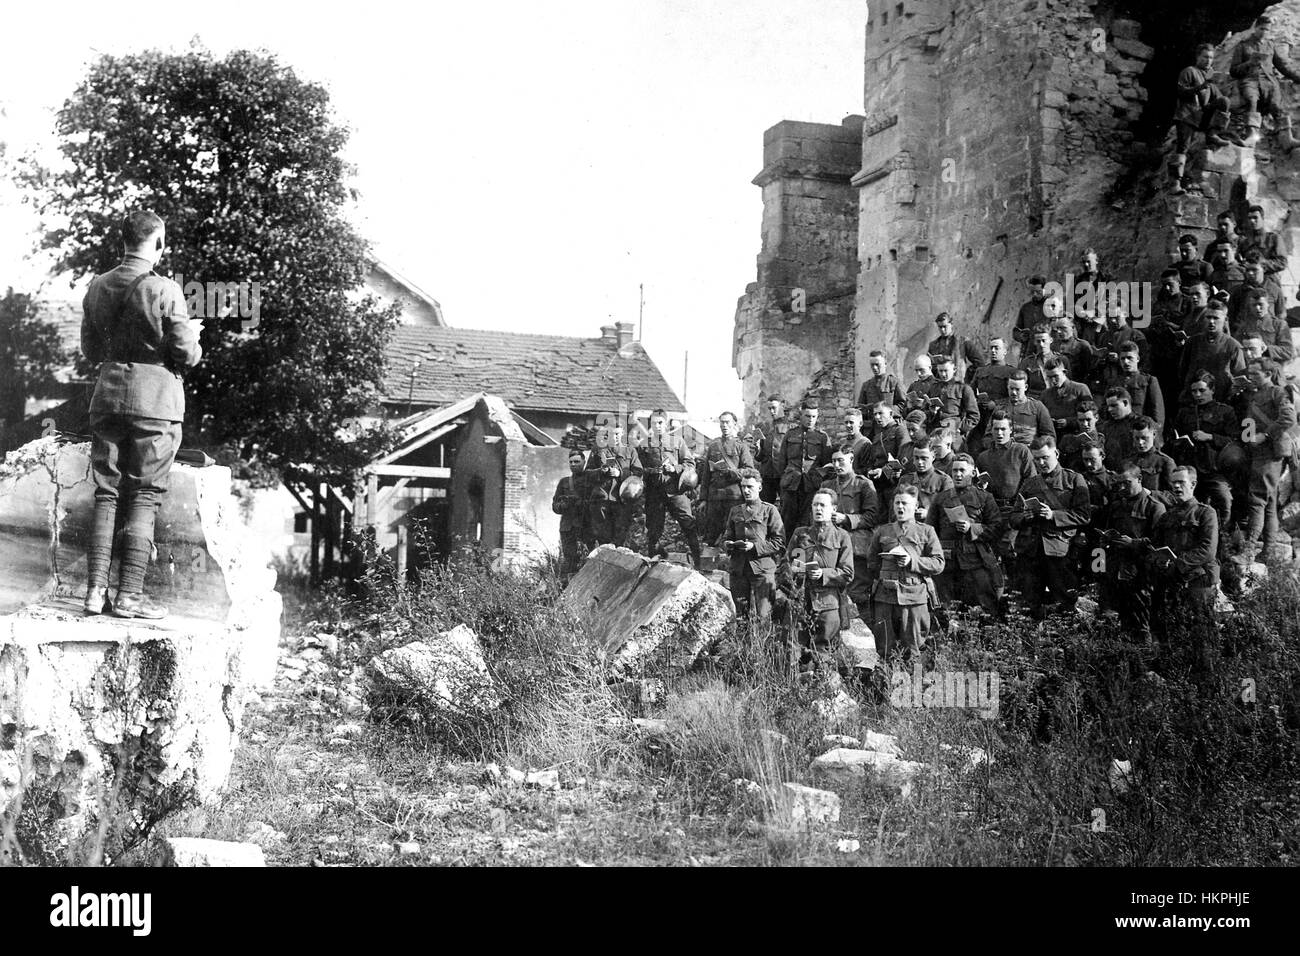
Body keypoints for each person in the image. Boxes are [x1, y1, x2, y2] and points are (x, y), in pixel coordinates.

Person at [81, 210, 202, 619]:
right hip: (156, 403)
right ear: (160, 244)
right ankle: (129, 596)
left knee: (107, 491)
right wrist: (194, 340)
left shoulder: (97, 286)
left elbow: (91, 351)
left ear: (123, 241)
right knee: (144, 494)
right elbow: (185, 353)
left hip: (108, 396)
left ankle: (94, 593)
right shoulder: (166, 289)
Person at [1011, 436, 1091, 620]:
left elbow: (1084, 515)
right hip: (1031, 551)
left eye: (1045, 457)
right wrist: (1025, 517)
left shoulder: (1074, 479)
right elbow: (1013, 518)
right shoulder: (1030, 483)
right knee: (1030, 603)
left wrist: (1053, 515)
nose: (1041, 463)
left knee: (1064, 601)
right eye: (1036, 459)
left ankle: (1065, 644)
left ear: (1056, 453)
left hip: (1060, 551)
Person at [863, 485, 945, 663]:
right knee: (885, 649)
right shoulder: (882, 531)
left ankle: (913, 688)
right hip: (885, 597)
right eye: (897, 503)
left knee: (913, 649)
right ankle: (886, 686)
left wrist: (912, 562)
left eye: (905, 504)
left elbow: (938, 563)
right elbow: (872, 562)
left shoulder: (926, 531)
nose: (900, 507)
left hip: (914, 597)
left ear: (915, 507)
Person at [1150, 467, 1220, 665]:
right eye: (1173, 483)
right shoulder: (1167, 516)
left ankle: (1207, 676)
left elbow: (1207, 551)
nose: (1177, 486)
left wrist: (1177, 562)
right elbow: (1156, 545)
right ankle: (1178, 676)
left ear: (1193, 484)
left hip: (1199, 581)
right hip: (1173, 581)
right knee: (1174, 629)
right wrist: (1159, 559)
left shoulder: (1205, 513)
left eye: (1181, 482)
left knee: (1202, 632)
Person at [783, 489, 854, 670]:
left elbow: (847, 572)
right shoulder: (801, 534)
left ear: (833, 509)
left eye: (823, 505)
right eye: (815, 504)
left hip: (828, 602)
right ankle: (793, 689)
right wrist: (797, 571)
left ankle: (824, 692)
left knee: (823, 651)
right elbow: (787, 562)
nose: (818, 509)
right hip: (801, 598)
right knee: (794, 647)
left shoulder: (841, 536)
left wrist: (824, 574)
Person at [1097, 462, 1166, 640]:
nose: (1121, 487)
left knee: (1142, 619)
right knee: (1120, 618)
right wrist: (1106, 539)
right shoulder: (1116, 506)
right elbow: (1107, 530)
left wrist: (1134, 543)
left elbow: (1160, 542)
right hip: (1118, 568)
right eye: (1118, 483)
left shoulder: (1154, 507)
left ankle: (1145, 656)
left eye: (1126, 483)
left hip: (1142, 572)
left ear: (1139, 479)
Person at [928, 454, 1003, 617]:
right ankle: (949, 641)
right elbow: (929, 531)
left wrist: (972, 528)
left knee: (984, 608)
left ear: (973, 473)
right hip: (947, 562)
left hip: (975, 560)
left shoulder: (984, 497)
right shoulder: (941, 499)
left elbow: (997, 527)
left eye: (962, 470)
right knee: (946, 609)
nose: (958, 474)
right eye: (955, 470)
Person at [1237, 357, 1297, 557]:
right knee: (1269, 502)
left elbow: (1289, 417)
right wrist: (1248, 439)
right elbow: (1249, 422)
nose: (1250, 377)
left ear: (1268, 374)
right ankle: (1268, 551)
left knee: (1257, 499)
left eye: (1255, 374)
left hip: (1270, 453)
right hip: (1257, 452)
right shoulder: (1255, 394)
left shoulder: (1277, 392)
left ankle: (1249, 550)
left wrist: (1265, 435)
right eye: (1250, 373)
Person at [1170, 371, 1238, 535]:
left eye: (1202, 390)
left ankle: (1223, 538)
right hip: (1191, 468)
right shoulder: (1184, 413)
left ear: (1212, 390)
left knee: (1225, 500)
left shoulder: (1225, 411)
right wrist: (1178, 442)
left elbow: (1235, 440)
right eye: (1194, 391)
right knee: (1190, 508)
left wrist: (1210, 437)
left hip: (1214, 468)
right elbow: (1174, 436)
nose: (1198, 395)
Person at [821, 446, 880, 628]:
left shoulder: (863, 485)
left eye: (841, 461)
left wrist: (846, 519)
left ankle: (866, 643)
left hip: (856, 548)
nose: (837, 465)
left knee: (858, 596)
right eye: (834, 461)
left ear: (852, 459)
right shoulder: (827, 486)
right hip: (832, 548)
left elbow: (872, 517)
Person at [718, 468, 785, 627]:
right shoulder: (735, 511)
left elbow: (779, 542)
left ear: (760, 488)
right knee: (741, 616)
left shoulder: (770, 510)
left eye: (750, 487)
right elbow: (727, 536)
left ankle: (764, 648)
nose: (746, 490)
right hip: (739, 569)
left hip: (762, 569)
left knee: (765, 616)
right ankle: (742, 649)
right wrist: (727, 544)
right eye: (743, 486)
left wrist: (754, 547)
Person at [639, 409, 703, 566]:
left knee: (688, 523)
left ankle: (699, 561)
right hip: (654, 492)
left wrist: (675, 469)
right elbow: (638, 468)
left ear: (666, 423)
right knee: (653, 529)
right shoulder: (644, 444)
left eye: (660, 423)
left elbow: (690, 463)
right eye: (653, 423)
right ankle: (653, 563)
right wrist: (649, 472)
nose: (657, 426)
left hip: (675, 490)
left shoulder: (677, 441)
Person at [1229, 14, 1300, 149]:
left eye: (1267, 30)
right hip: (1250, 80)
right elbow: (1233, 70)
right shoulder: (1243, 46)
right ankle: (1251, 136)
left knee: (1277, 105)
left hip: (1269, 82)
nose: (1264, 32)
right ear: (1255, 28)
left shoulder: (1270, 45)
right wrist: (1249, 63)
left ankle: (1287, 139)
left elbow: (1282, 66)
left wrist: (1297, 77)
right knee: (1251, 100)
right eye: (1262, 29)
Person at [1170, 43, 1231, 194]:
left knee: (1225, 101)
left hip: (1201, 117)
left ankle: (1213, 134)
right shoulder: (1189, 71)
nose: (1208, 61)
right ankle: (1175, 184)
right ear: (1198, 57)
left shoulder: (1208, 78)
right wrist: (1201, 86)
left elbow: (1219, 100)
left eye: (1211, 58)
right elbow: (1181, 91)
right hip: (1187, 115)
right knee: (1183, 147)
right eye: (1205, 57)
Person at [700, 410, 755, 544]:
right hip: (715, 497)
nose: (724, 425)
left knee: (734, 532)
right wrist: (703, 499)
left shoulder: (741, 447)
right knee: (711, 533)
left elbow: (750, 471)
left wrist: (731, 472)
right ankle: (709, 563)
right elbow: (706, 475)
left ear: (734, 424)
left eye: (727, 422)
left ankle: (731, 563)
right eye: (722, 422)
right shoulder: (713, 446)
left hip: (734, 497)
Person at [777, 400, 833, 533]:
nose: (811, 420)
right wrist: (785, 479)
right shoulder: (790, 434)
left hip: (811, 486)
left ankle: (804, 551)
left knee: (807, 521)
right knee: (787, 520)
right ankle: (786, 551)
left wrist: (819, 479)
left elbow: (827, 465)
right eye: (808, 416)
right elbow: (781, 462)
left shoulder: (822, 437)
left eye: (814, 417)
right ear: (801, 415)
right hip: (791, 485)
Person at [584, 422, 643, 547]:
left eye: (618, 434)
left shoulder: (630, 450)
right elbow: (587, 474)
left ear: (622, 434)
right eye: (611, 434)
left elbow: (638, 474)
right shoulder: (598, 449)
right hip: (602, 500)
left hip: (622, 500)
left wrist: (620, 474)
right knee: (603, 538)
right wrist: (601, 471)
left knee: (620, 538)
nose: (615, 437)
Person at [1180, 301, 1245, 402]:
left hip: (1221, 399)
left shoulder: (1233, 346)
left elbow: (1239, 377)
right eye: (1208, 317)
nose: (1211, 321)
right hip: (1194, 398)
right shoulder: (1192, 342)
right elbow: (1182, 371)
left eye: (1216, 318)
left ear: (1225, 320)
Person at [552, 450, 590, 580]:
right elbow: (555, 506)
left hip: (585, 527)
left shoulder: (590, 481)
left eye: (577, 462)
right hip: (567, 528)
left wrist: (581, 503)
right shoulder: (564, 482)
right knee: (569, 561)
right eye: (571, 462)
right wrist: (565, 505)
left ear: (584, 462)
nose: (573, 464)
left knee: (587, 559)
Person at [1233, 288, 1295, 364]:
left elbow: (1289, 352)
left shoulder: (1279, 325)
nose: (1257, 308)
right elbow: (1236, 348)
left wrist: (1267, 349)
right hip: (1251, 368)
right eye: (1254, 305)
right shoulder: (1244, 326)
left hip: (1272, 368)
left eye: (1260, 304)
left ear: (1268, 304)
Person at [924, 354, 979, 439]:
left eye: (946, 370)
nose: (943, 374)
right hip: (934, 433)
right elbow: (925, 412)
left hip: (954, 434)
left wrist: (960, 429)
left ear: (954, 369)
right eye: (940, 371)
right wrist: (932, 412)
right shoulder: (933, 388)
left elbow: (974, 416)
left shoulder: (963, 388)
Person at [898, 440, 955, 517]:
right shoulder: (905, 480)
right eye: (916, 458)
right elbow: (894, 509)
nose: (920, 462)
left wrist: (928, 514)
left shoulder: (943, 480)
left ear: (933, 457)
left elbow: (950, 511)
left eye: (924, 458)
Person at [998, 370, 1055, 445]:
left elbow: (1049, 436)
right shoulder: (1000, 407)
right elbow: (988, 435)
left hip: (1030, 452)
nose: (1014, 393)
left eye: (1017, 389)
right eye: (1011, 388)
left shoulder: (1037, 407)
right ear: (1007, 387)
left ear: (1025, 387)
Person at [928, 311, 987, 383]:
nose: (942, 330)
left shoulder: (963, 341)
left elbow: (980, 363)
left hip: (959, 384)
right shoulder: (933, 345)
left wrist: (968, 374)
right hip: (940, 385)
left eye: (945, 326)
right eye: (940, 327)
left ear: (951, 324)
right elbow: (928, 366)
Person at [1041, 357, 1092, 438]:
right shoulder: (1045, 394)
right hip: (1052, 437)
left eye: (1055, 376)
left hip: (1076, 435)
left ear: (1064, 372)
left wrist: (1068, 422)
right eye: (1049, 377)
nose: (1053, 381)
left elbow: (1090, 416)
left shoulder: (1080, 389)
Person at [1128, 416, 1177, 499]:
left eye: (1144, 438)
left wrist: (1151, 494)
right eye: (1137, 438)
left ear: (1154, 434)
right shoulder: (1129, 461)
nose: (1140, 442)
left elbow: (1174, 496)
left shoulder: (1165, 462)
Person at [857, 350, 907, 428]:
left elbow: (903, 404)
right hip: (872, 427)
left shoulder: (894, 382)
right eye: (872, 365)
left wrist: (886, 411)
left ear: (885, 364)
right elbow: (860, 407)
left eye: (877, 364)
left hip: (890, 425)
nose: (874, 368)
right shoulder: (866, 385)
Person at [1239, 205, 1288, 276]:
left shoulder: (1274, 238)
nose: (1252, 221)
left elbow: (1282, 263)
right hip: (1250, 278)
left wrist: (1262, 263)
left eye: (1255, 218)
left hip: (1269, 280)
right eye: (1249, 218)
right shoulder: (1244, 242)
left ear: (1262, 218)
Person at [758, 395, 790, 504]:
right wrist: (756, 448)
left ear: (783, 406)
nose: (772, 411)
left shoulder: (791, 426)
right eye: (769, 409)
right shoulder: (765, 427)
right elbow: (760, 456)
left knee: (787, 507)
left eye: (774, 408)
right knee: (765, 506)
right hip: (767, 475)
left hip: (784, 474)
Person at [1013, 275, 1050, 357]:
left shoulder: (1052, 306)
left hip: (1047, 350)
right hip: (1029, 351)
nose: (1035, 295)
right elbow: (1016, 331)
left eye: (1038, 292)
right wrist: (1021, 336)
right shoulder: (1025, 308)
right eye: (1032, 292)